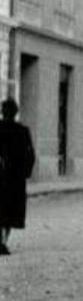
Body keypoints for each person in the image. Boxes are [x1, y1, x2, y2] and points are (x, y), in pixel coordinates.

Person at [0, 97, 36, 256]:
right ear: (16, 113)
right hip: (15, 178)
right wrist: (25, 173)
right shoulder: (23, 131)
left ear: (2, 112)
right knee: (10, 211)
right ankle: (3, 241)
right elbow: (31, 155)